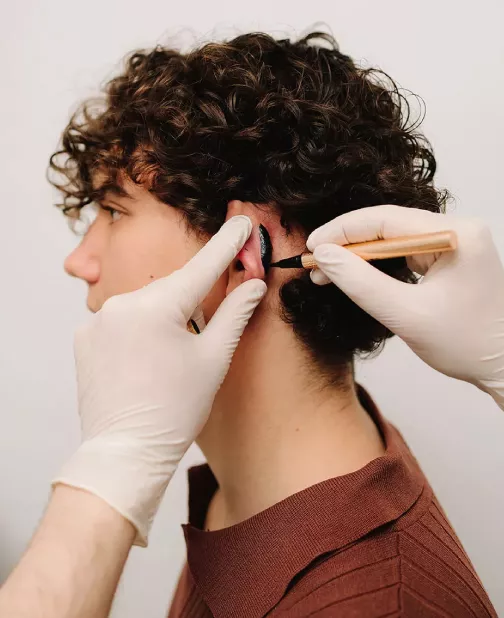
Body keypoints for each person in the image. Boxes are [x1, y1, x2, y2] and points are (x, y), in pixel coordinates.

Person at [0, 30, 502, 618]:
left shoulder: (378, 604)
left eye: (114, 211)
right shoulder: (243, 502)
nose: (79, 261)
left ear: (244, 251)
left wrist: (115, 460)